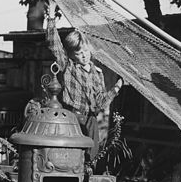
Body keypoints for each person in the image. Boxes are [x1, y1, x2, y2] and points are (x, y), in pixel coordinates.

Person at [48, 23, 124, 158]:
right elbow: (54, 46)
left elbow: (101, 102)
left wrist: (117, 87)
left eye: (86, 51)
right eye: (79, 53)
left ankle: (87, 176)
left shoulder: (98, 73)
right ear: (71, 54)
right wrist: (51, 17)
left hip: (91, 119)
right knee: (71, 153)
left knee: (92, 155)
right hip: (72, 117)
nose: (84, 56)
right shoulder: (68, 66)